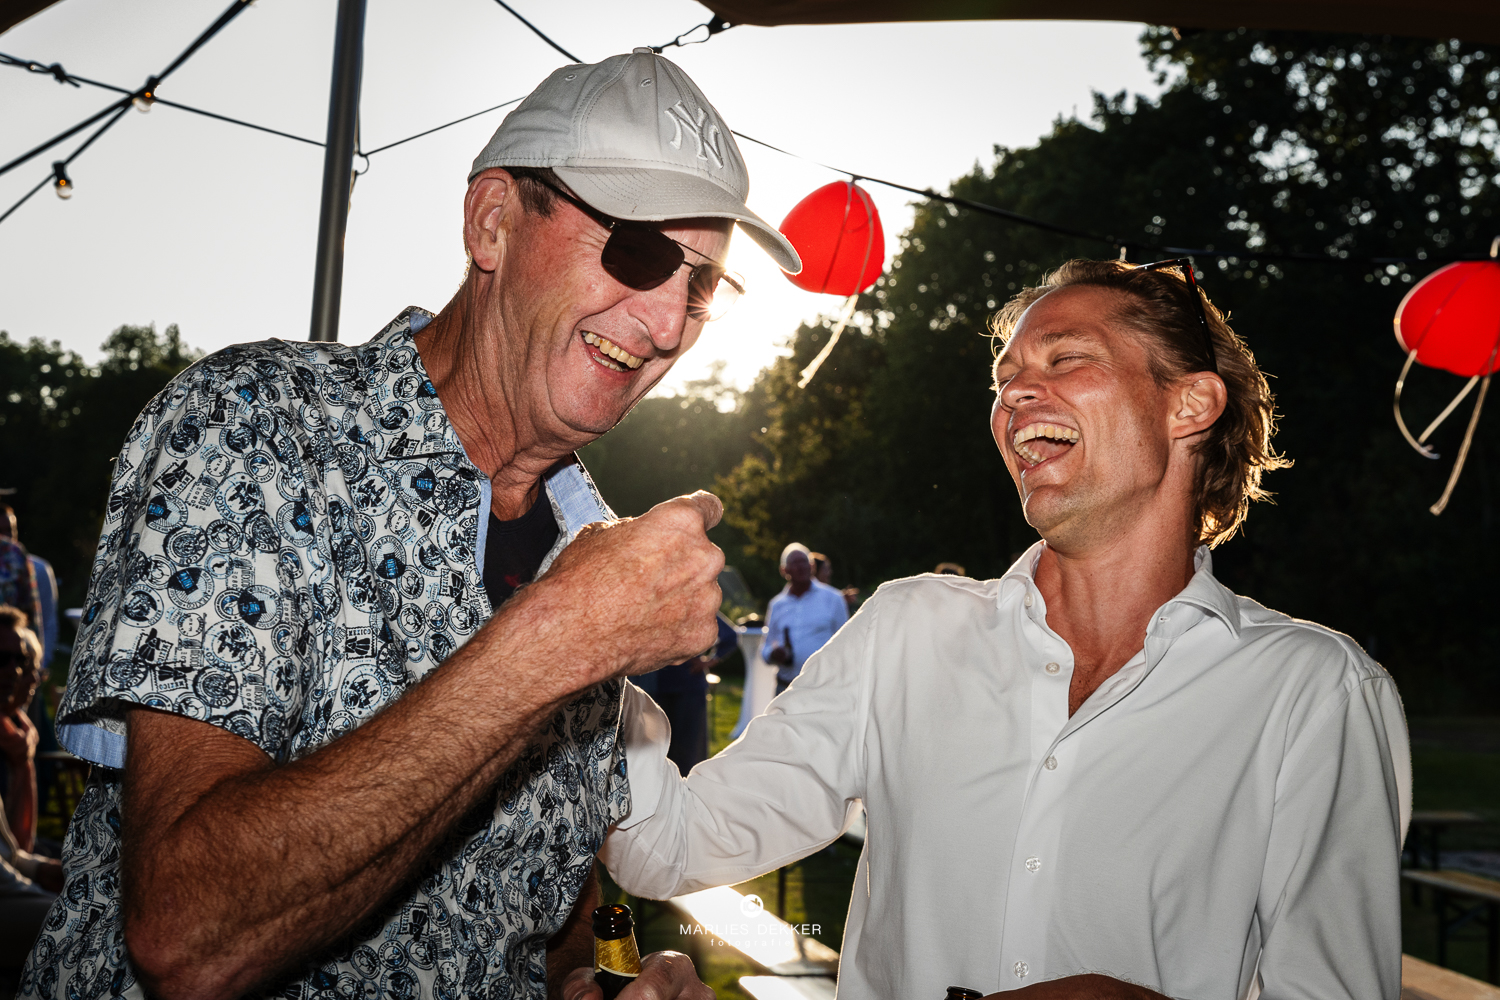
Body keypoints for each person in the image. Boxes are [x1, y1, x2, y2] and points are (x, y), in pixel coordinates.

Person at [20, 48, 798, 1000]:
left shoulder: (592, 552)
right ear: (494, 222)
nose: (670, 322)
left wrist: (592, 985)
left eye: (702, 285)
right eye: (637, 251)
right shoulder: (258, 425)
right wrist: (553, 641)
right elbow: (188, 934)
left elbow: (528, 919)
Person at [603, 259, 1410, 1000]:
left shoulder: (1315, 691)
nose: (1016, 395)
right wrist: (580, 643)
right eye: (1006, 378)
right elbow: (662, 848)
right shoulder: (906, 631)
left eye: (1065, 360)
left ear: (1188, 404)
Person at [0, 606, 61, 980]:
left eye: (22, 661)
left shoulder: (14, 736)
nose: (16, 672)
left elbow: (11, 847)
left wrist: (44, 870)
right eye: (1, 659)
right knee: (85, 924)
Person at [635, 613, 737, 775]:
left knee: (688, 755)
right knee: (651, 756)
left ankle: (687, 795)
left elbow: (729, 637)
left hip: (687, 689)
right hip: (650, 691)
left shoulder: (692, 603)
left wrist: (710, 660)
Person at [762, 543, 849, 694]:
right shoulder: (777, 605)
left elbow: (847, 644)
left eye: (804, 562)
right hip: (786, 688)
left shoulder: (833, 598)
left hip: (822, 689)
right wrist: (773, 653)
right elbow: (765, 648)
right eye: (795, 563)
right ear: (784, 570)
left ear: (812, 567)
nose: (801, 567)